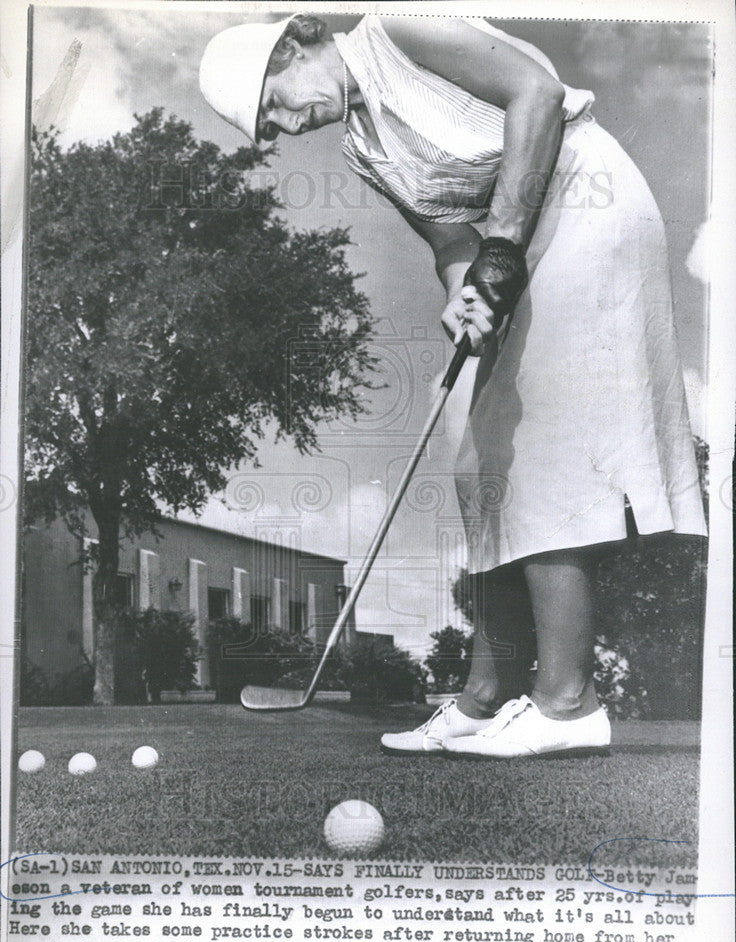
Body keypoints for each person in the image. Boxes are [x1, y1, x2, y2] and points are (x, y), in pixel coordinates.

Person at [199, 15, 707, 757]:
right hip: (517, 247)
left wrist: (500, 252)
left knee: (543, 447)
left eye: (273, 102)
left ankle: (568, 702)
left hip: (583, 205)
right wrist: (464, 295)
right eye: (268, 127)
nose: (284, 125)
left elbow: (536, 92)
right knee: (475, 454)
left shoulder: (397, 28)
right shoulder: (363, 148)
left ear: (294, 45)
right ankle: (482, 697)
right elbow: (450, 241)